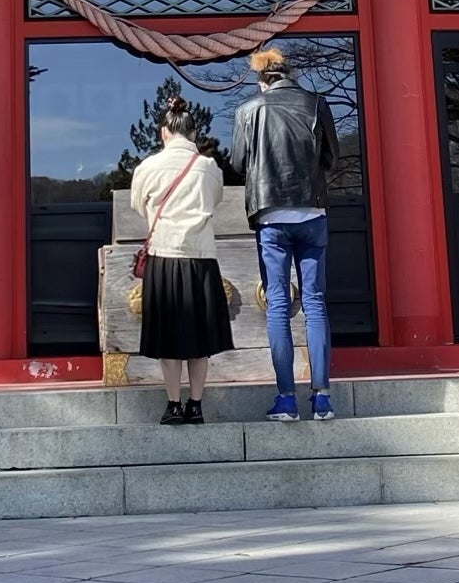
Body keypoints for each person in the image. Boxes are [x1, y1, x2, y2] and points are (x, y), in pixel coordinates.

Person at [230, 47, 339, 422]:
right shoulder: (316, 103)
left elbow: (238, 162)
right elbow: (331, 158)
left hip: (271, 213)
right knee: (315, 303)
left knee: (278, 304)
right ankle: (322, 398)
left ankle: (287, 399)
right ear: (290, 74)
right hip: (312, 210)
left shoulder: (248, 110)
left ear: (263, 80)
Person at [130, 94, 233, 424]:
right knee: (200, 337)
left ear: (164, 132)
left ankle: (173, 404)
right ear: (194, 133)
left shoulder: (148, 167)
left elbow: (137, 205)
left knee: (168, 336)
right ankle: (196, 404)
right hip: (200, 257)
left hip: (163, 255)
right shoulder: (209, 168)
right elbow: (215, 201)